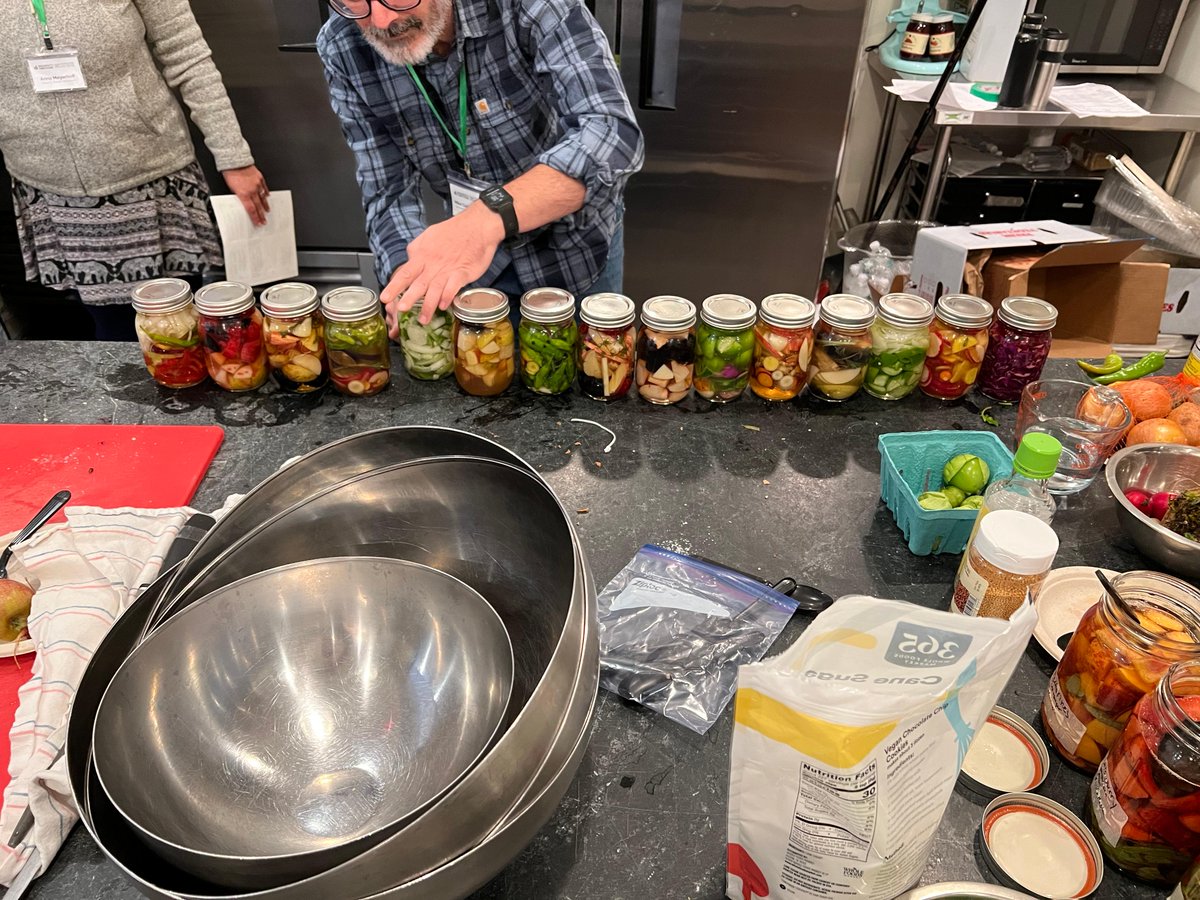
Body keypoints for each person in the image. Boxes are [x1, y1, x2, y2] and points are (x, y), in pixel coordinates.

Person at [317, 0, 644, 331]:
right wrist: (409, 279)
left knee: (589, 370)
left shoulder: (531, 5)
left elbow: (612, 135)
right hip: (469, 270)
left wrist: (486, 217)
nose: (383, 20)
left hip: (574, 246)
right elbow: (388, 190)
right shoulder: (342, 45)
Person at [0, 0, 269, 341]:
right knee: (110, 332)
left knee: (177, 328)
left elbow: (187, 54)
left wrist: (234, 157)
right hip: (48, 183)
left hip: (150, 175)